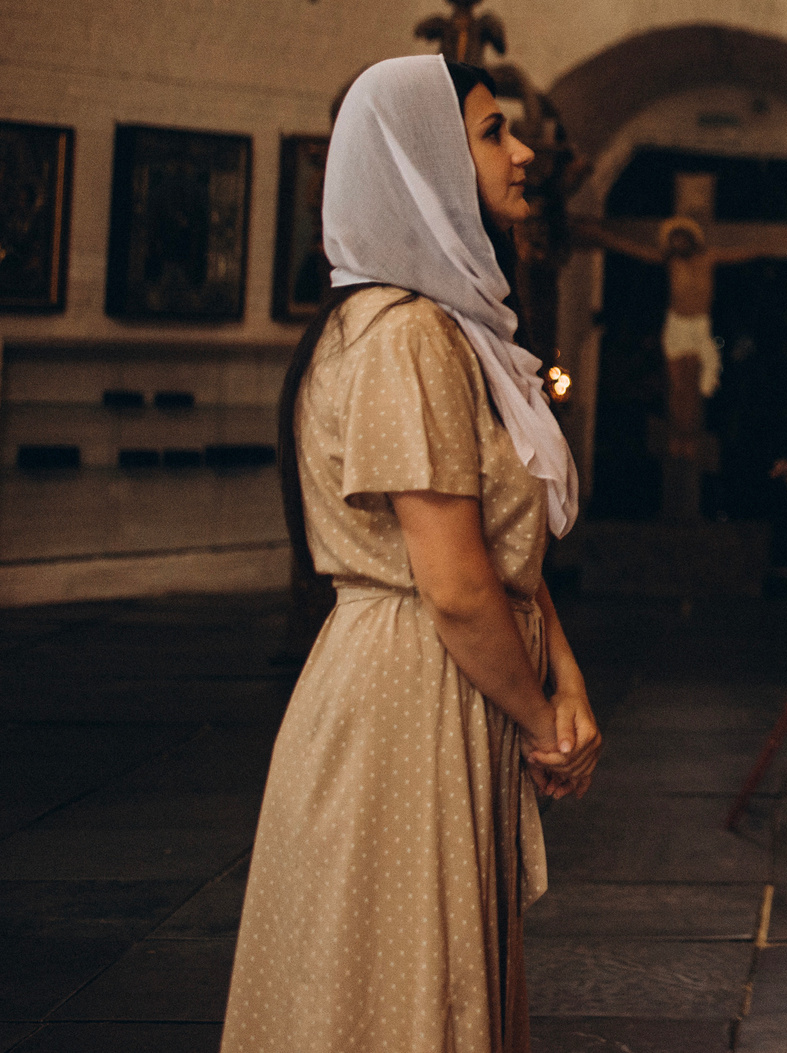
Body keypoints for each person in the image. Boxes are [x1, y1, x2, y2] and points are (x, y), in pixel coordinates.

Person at [224, 55, 601, 1053]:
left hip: (446, 681)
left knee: (425, 976)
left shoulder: (453, 332)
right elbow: (455, 582)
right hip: (411, 690)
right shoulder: (407, 337)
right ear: (422, 159)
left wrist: (563, 672)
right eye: (490, 132)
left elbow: (496, 549)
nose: (522, 152)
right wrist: (541, 723)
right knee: (400, 994)